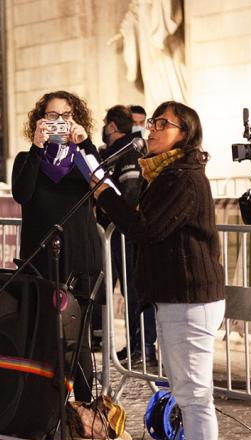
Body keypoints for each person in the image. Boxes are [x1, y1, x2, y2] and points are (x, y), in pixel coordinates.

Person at [93, 101, 225, 440]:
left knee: (197, 399)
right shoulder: (163, 173)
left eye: (162, 124)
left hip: (191, 298)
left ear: (184, 133)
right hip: (174, 296)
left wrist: (104, 194)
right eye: (152, 122)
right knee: (187, 394)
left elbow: (146, 228)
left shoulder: (183, 176)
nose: (151, 129)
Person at [12, 91, 102, 402]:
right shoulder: (28, 160)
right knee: (42, 338)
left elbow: (104, 184)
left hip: (79, 257)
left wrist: (86, 144)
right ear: (39, 120)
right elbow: (21, 194)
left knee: (79, 340)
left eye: (65, 115)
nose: (58, 122)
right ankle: (43, 412)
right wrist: (36, 148)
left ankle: (86, 409)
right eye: (51, 116)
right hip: (41, 258)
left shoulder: (83, 158)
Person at [100, 105, 156, 365]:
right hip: (119, 231)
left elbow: (131, 192)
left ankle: (143, 347)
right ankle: (136, 345)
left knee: (135, 291)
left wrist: (117, 214)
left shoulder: (128, 152)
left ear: (112, 126)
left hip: (126, 232)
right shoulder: (116, 153)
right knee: (128, 292)